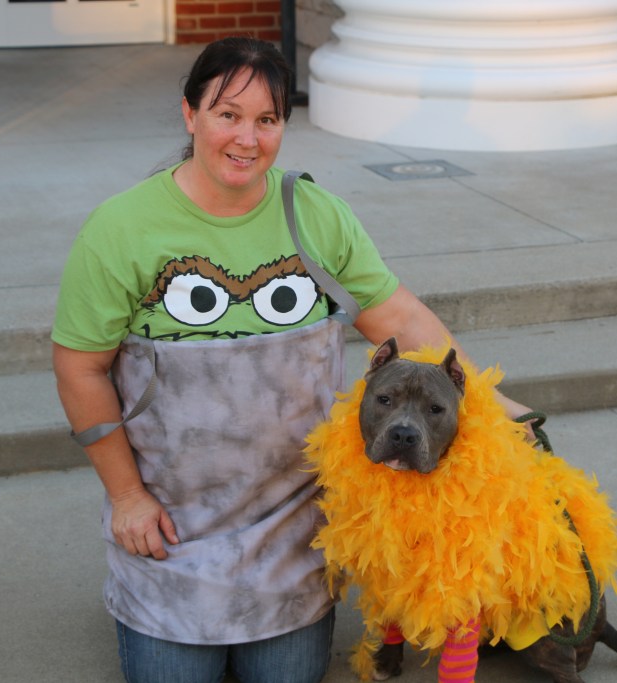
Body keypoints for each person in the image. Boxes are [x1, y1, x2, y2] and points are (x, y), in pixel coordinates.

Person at [52, 36, 533, 683]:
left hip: (292, 532)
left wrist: (496, 403)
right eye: (228, 114)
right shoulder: (120, 229)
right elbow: (79, 368)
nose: (247, 139)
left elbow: (401, 320)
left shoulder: (316, 215)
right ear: (190, 114)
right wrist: (127, 496)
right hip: (174, 528)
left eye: (267, 119)